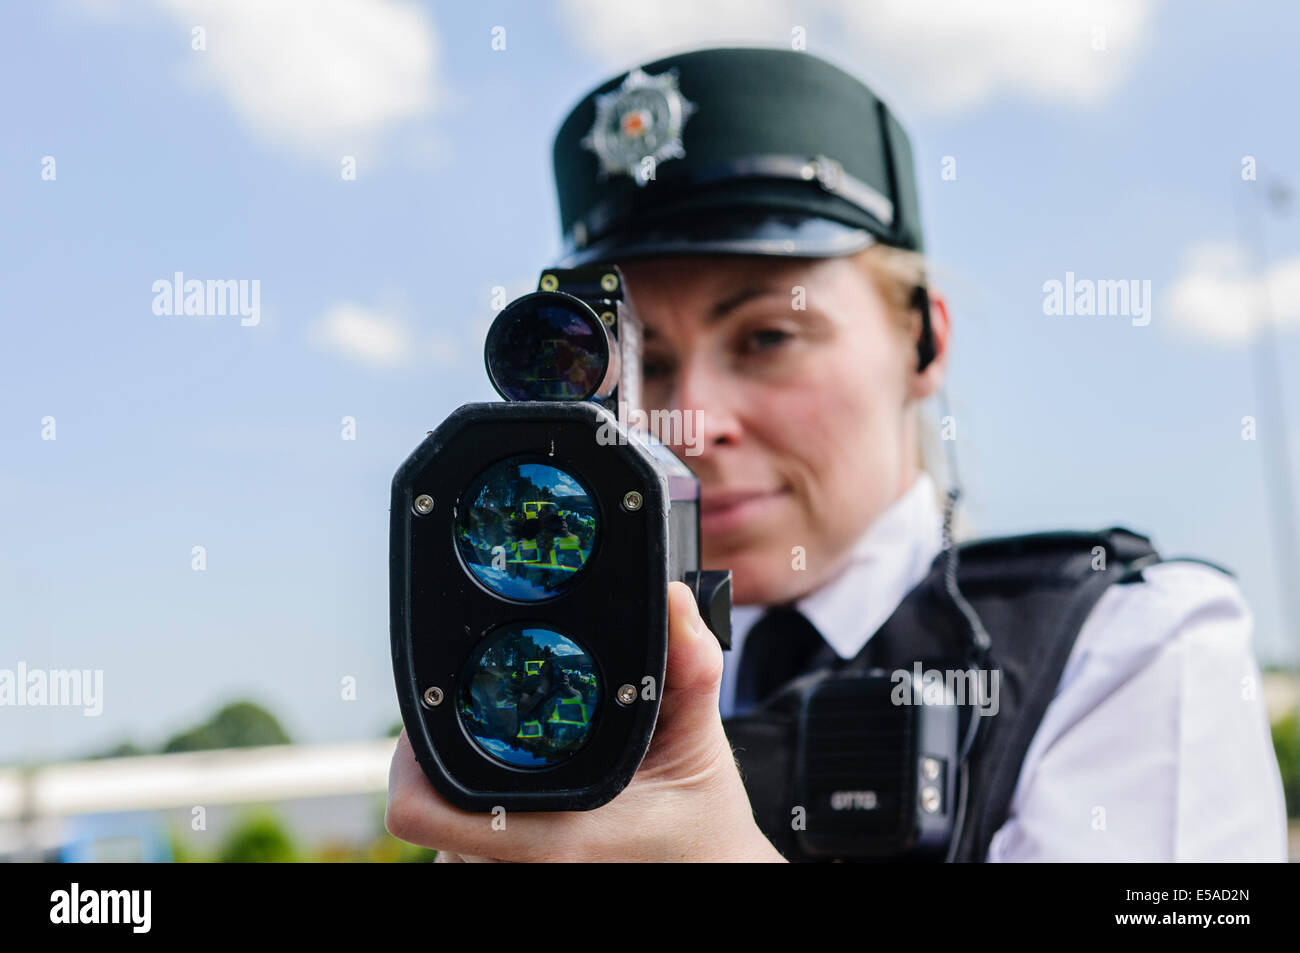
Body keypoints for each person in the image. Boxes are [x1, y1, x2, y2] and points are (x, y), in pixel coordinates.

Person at [386, 47, 1287, 862]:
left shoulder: (1127, 642)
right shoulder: (571, 682)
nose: (690, 421)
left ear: (922, 342)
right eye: (643, 365)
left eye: (768, 335)